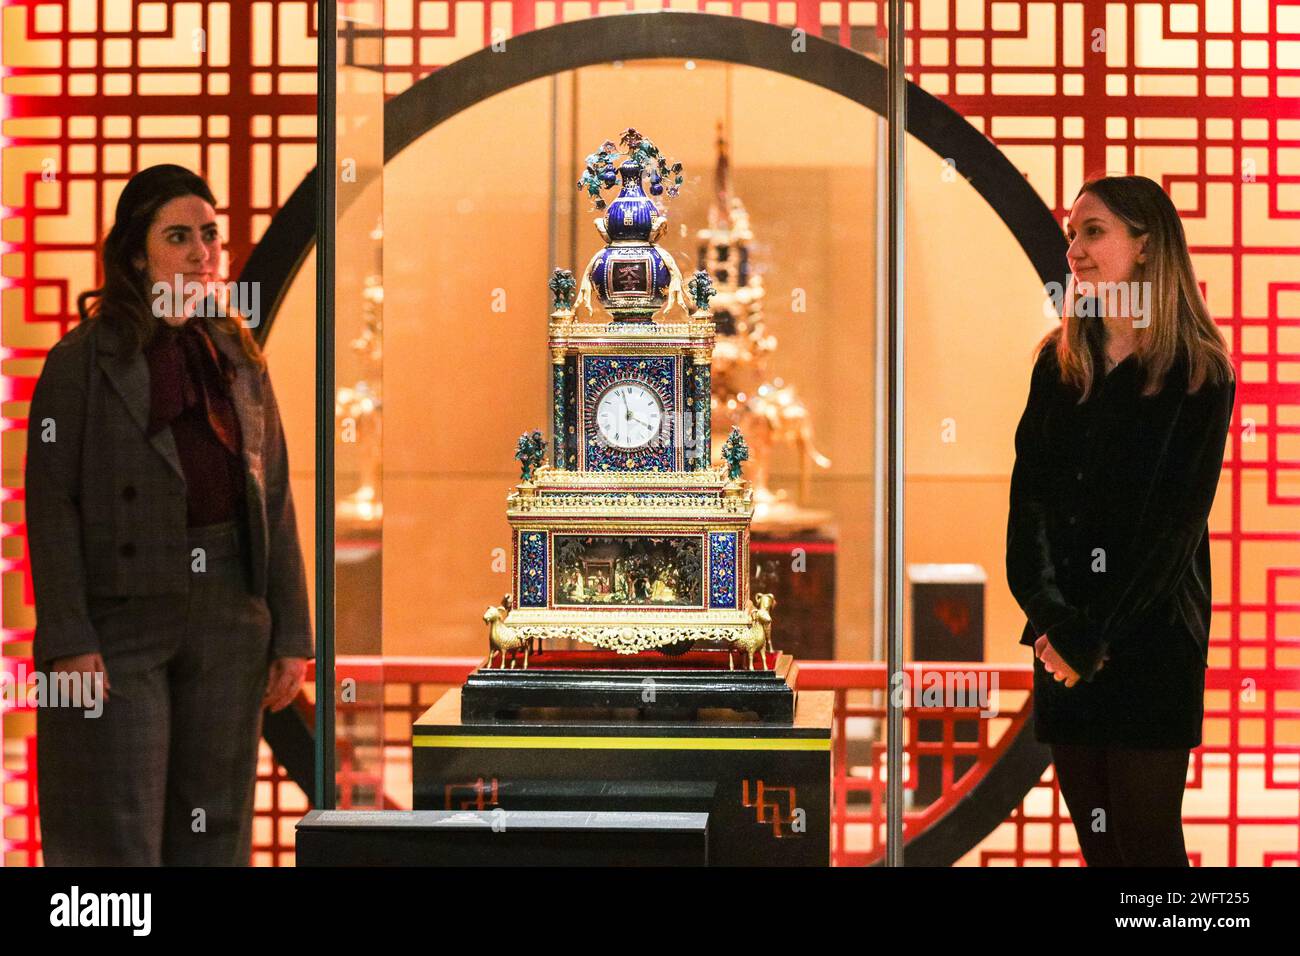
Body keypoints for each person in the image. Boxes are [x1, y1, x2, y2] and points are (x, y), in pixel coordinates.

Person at [26, 164, 313, 865]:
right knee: (115, 826)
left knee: (213, 828)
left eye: (209, 236)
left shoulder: (235, 351)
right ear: (135, 253)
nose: (201, 253)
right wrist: (68, 637)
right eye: (179, 236)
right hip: (121, 617)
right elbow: (52, 506)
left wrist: (293, 634)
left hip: (228, 608)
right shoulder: (80, 361)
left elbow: (271, 496)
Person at [1006, 174, 1235, 867]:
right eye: (1072, 233)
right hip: (1062, 642)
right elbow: (1029, 505)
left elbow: (1174, 529)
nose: (1073, 248)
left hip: (1152, 639)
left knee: (1149, 847)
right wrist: (1055, 622)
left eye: (1093, 231)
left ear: (1145, 245)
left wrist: (1093, 637)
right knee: (1101, 848)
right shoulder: (1060, 361)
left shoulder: (1201, 372)